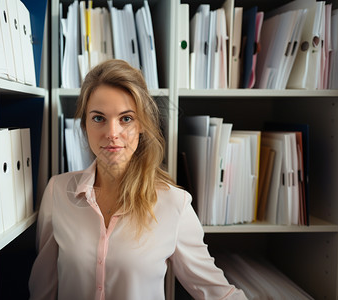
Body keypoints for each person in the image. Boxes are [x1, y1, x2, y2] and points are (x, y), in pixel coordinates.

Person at [28, 59, 247, 300]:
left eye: (126, 119)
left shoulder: (174, 204)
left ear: (142, 123)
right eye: (99, 118)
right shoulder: (57, 192)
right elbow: (42, 291)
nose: (112, 133)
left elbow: (219, 294)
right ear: (84, 125)